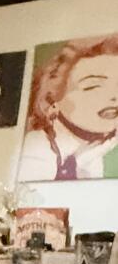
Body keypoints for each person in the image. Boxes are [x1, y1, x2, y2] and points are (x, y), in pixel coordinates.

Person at [18, 35, 118, 180]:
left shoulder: (105, 145)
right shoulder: (35, 150)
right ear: (52, 98)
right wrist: (77, 167)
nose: (114, 96)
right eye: (93, 86)